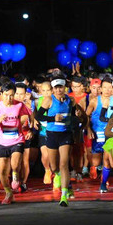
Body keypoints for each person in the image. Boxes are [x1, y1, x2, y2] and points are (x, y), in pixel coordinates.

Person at [35, 78, 86, 206]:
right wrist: (53, 118)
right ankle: (65, 182)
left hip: (65, 134)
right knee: (54, 166)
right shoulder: (49, 100)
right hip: (52, 134)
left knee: (64, 164)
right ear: (53, 89)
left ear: (65, 88)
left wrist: (78, 116)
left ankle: (64, 196)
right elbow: (39, 116)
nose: (59, 90)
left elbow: (77, 115)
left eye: (61, 87)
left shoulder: (71, 100)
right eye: (56, 88)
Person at [0, 82, 31, 204]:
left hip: (17, 140)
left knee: (15, 164)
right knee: (3, 170)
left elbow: (31, 115)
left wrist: (30, 129)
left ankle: (15, 174)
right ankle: (8, 193)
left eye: (11, 95)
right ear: (1, 94)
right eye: (6, 95)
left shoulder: (20, 105)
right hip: (2, 142)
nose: (9, 98)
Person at [88, 79, 113, 193]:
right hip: (103, 133)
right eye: (105, 87)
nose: (108, 90)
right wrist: (88, 129)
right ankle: (102, 181)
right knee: (102, 161)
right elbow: (94, 116)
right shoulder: (101, 101)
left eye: (110, 87)